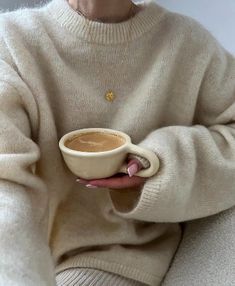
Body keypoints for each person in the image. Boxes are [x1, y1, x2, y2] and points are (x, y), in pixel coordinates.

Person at [0, 0, 234, 285]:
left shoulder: (188, 44)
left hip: (150, 257)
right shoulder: (11, 42)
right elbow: (5, 190)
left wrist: (160, 163)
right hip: (43, 264)